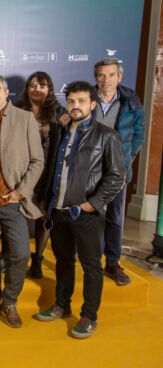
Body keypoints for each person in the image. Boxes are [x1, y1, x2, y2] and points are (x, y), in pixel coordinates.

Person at [35, 81, 125, 339]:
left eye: (82, 101)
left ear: (93, 104)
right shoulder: (60, 131)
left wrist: (92, 204)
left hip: (85, 213)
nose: (76, 106)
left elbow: (116, 176)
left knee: (91, 266)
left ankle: (89, 315)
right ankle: (62, 305)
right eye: (72, 101)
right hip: (59, 211)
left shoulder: (106, 136)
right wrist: (46, 202)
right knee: (63, 261)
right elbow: (53, 168)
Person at [0, 72, 44, 328]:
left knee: (20, 253)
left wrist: (21, 191)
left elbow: (37, 161)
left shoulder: (25, 119)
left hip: (12, 200)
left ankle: (10, 301)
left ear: (6, 92)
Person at [93, 58, 144, 286]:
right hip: (89, 169)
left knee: (114, 217)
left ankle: (112, 262)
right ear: (96, 78)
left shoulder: (131, 101)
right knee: (88, 216)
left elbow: (138, 135)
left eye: (111, 75)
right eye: (101, 75)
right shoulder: (86, 97)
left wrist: (125, 161)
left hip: (117, 170)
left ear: (119, 77)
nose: (106, 80)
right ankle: (88, 259)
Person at [15, 71, 67, 279]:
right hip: (22, 170)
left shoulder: (59, 111)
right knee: (17, 211)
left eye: (42, 86)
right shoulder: (17, 110)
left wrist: (68, 121)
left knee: (43, 213)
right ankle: (14, 256)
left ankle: (37, 258)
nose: (37, 89)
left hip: (49, 170)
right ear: (27, 88)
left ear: (49, 89)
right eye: (33, 85)